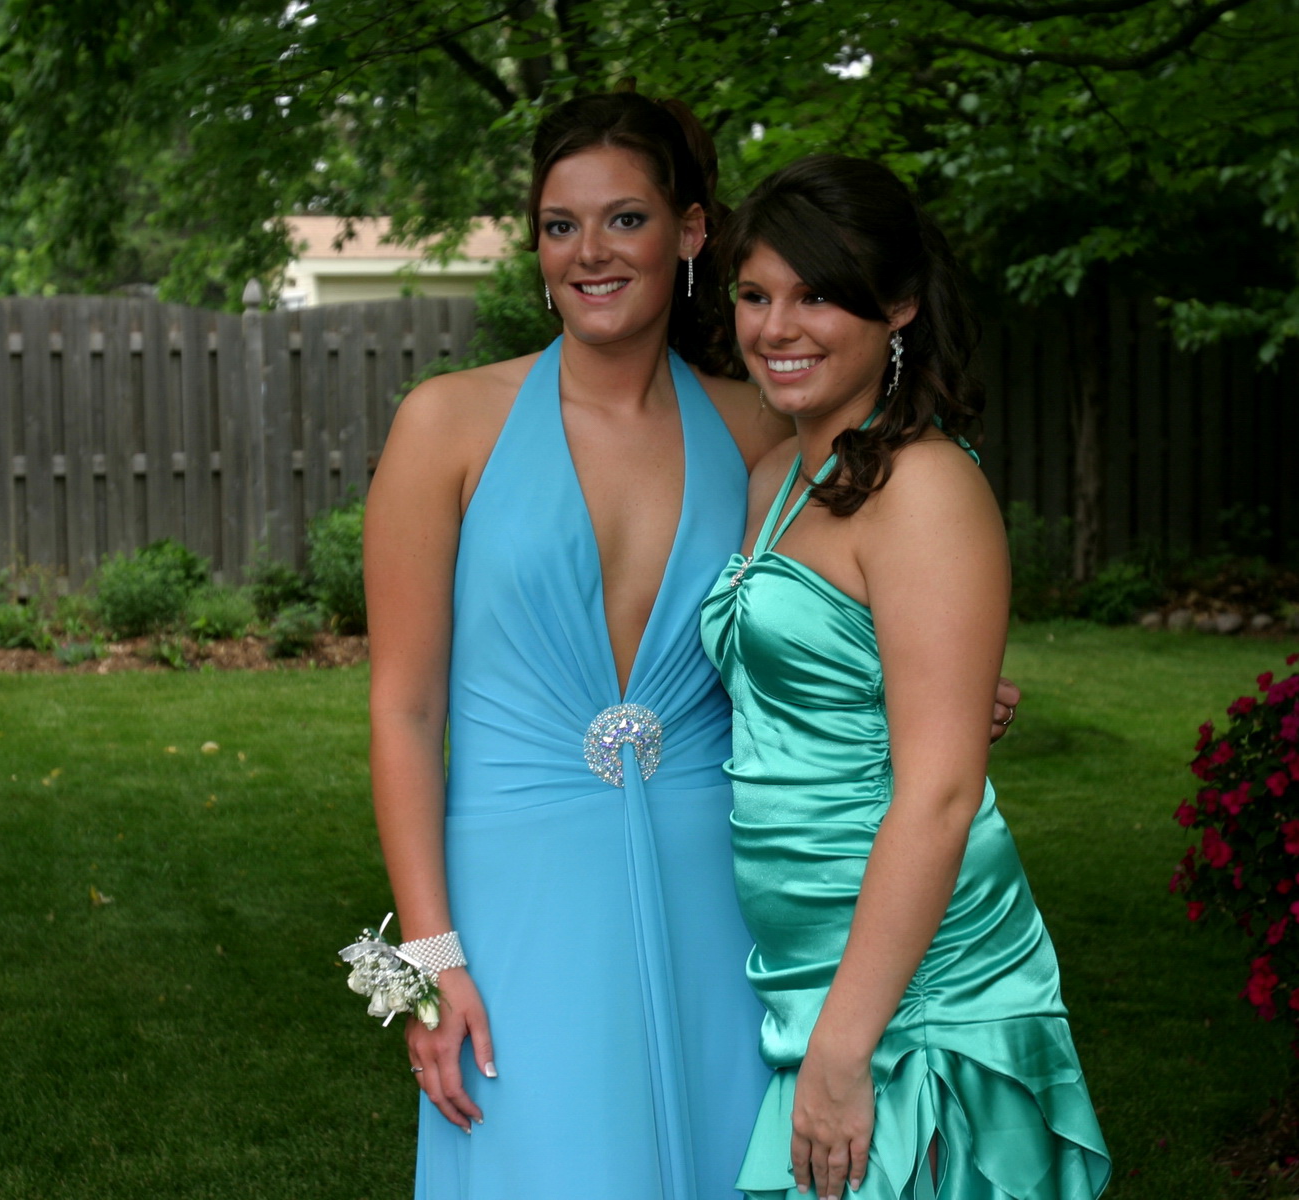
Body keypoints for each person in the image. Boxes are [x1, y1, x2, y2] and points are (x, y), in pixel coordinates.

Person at [363, 93, 1023, 1199]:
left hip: (725, 891)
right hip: (515, 894)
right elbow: (403, 709)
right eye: (560, 225)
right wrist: (430, 959)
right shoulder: (445, 425)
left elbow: (853, 605)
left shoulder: (763, 425)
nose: (589, 252)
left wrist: (929, 685)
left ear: (691, 231)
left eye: (624, 218)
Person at [701, 155, 1111, 1200]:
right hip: (809, 969)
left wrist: (845, 1048)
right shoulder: (778, 474)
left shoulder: (924, 486)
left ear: (897, 308)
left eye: (816, 296)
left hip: (909, 982)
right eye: (755, 294)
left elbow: (939, 792)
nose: (776, 327)